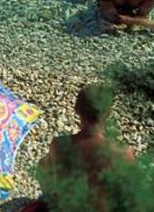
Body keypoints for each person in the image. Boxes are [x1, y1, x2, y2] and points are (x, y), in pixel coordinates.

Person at [29, 84, 137, 212]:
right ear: (107, 113)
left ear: (76, 109)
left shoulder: (59, 145)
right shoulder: (123, 153)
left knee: (44, 166)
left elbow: (45, 177)